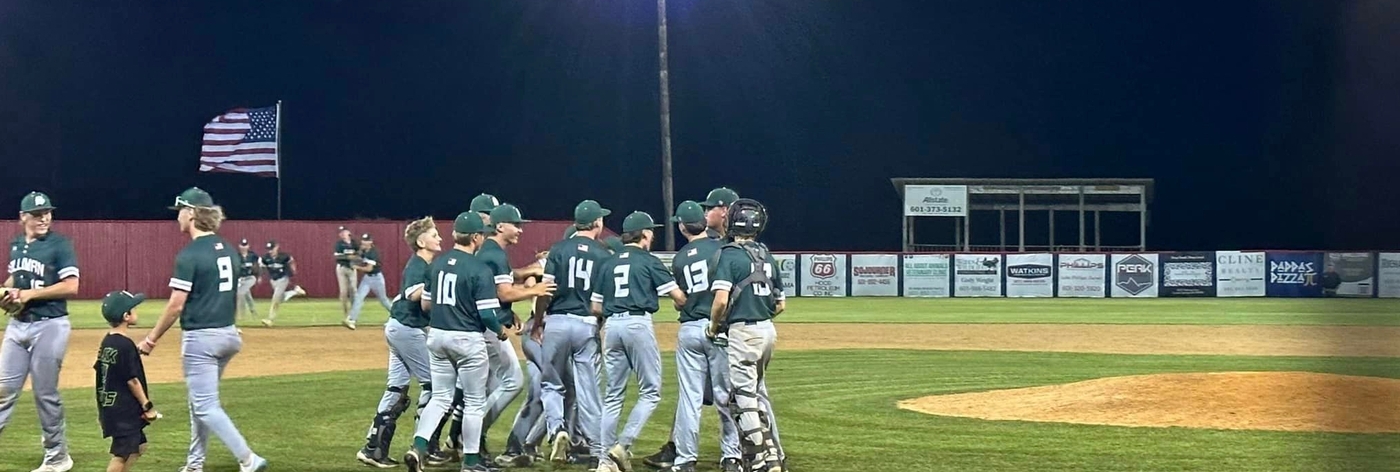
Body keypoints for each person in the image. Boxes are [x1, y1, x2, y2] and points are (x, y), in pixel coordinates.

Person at [138, 187, 268, 472]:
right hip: (227, 335)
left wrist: (151, 339)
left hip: (202, 340)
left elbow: (175, 305)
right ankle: (194, 464)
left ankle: (248, 459)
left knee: (206, 406)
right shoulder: (229, 250)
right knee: (200, 404)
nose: (178, 217)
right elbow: (230, 296)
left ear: (192, 214)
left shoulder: (190, 254)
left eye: (181, 211)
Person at [643, 188, 739, 470]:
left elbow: (679, 301)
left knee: (689, 398)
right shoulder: (723, 248)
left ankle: (684, 459)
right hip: (717, 328)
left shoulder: (680, 258)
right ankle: (731, 456)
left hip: (688, 329)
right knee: (724, 395)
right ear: (703, 220)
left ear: (683, 227)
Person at [403, 212, 502, 472]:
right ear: (477, 237)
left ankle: (419, 447)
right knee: (474, 402)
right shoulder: (479, 268)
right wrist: (500, 330)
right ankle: (470, 462)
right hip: (467, 339)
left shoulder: (437, 263)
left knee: (440, 398)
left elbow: (425, 304)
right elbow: (488, 315)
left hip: (437, 336)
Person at [591, 212, 686, 472]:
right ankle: (623, 445)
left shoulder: (608, 263)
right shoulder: (647, 260)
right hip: (637, 324)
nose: (652, 235)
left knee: (612, 396)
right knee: (651, 391)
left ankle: (603, 462)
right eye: (651, 231)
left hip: (611, 326)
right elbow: (678, 297)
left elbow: (595, 306)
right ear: (643, 234)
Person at [0, 191, 80, 472]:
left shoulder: (60, 245)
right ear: (23, 218)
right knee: (2, 390)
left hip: (50, 325)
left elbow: (71, 286)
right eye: (37, 214)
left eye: (47, 212)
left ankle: (58, 456)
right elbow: (15, 278)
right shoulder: (17, 244)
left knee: (44, 393)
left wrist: (30, 294)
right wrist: (7, 291)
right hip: (18, 324)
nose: (44, 217)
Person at [533, 200, 612, 469]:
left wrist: (538, 322)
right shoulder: (604, 254)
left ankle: (557, 430)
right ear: (597, 223)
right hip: (586, 324)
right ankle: (598, 453)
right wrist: (598, 324)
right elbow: (604, 300)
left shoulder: (558, 249)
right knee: (589, 392)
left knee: (551, 385)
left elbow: (546, 290)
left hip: (556, 321)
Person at [357, 217, 441, 468]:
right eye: (434, 234)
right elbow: (414, 294)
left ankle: (373, 449)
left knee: (397, 389)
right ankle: (425, 447)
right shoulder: (419, 264)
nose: (439, 238)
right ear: (421, 241)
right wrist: (437, 288)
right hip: (408, 330)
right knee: (434, 387)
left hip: (399, 328)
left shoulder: (424, 264)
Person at [709, 198, 785, 472]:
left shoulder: (729, 254)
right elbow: (780, 304)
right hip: (768, 330)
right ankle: (774, 455)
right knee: (757, 393)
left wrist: (713, 326)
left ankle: (759, 461)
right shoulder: (766, 253)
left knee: (743, 400)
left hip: (744, 332)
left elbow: (720, 301)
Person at [476, 203, 553, 461]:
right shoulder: (494, 253)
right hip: (486, 328)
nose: (520, 230)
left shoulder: (492, 250)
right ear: (500, 226)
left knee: (490, 386)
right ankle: (470, 436)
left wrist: (509, 312)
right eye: (516, 225)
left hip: (486, 323)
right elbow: (503, 292)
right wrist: (534, 291)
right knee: (512, 381)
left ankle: (468, 437)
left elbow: (502, 287)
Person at [95, 290, 158, 472]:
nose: (136, 311)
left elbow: (103, 372)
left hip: (111, 407)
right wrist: (147, 406)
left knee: (138, 447)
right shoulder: (125, 344)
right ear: (126, 316)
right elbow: (133, 381)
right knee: (121, 455)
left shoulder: (108, 342)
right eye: (133, 309)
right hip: (124, 411)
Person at [345, 233, 392, 330]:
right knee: (359, 298)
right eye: (363, 240)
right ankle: (352, 320)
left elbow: (369, 269)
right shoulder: (363, 250)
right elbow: (358, 257)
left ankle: (398, 317)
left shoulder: (373, 253)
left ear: (371, 242)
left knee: (383, 300)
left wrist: (356, 267)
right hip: (367, 278)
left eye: (366, 240)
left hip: (377, 278)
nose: (364, 242)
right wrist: (351, 257)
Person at [259, 240, 304, 326]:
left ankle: (270, 319)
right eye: (269, 249)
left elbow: (291, 260)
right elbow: (262, 267)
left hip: (283, 278)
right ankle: (295, 291)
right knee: (281, 298)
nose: (270, 251)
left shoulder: (283, 256)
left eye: (272, 249)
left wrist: (293, 268)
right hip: (273, 280)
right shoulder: (265, 258)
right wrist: (260, 276)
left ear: (276, 247)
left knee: (275, 298)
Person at [335, 226, 361, 318]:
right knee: (343, 292)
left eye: (344, 232)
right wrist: (349, 257)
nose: (342, 234)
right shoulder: (339, 244)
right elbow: (337, 257)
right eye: (341, 232)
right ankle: (345, 313)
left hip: (352, 268)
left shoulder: (354, 243)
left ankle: (353, 312)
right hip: (342, 268)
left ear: (348, 232)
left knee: (353, 290)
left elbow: (360, 255)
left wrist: (355, 258)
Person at [234, 239, 260, 322]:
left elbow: (258, 266)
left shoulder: (253, 256)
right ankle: (254, 313)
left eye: (245, 245)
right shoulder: (236, 256)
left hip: (250, 278)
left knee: (240, 293)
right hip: (241, 279)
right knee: (247, 296)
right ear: (239, 246)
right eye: (242, 245)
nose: (243, 247)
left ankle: (240, 315)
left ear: (248, 246)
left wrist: (259, 276)